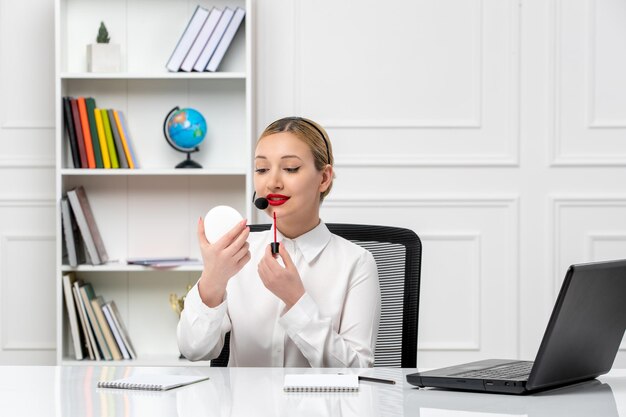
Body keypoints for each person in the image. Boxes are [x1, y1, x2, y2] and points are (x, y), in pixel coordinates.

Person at [177, 117, 380, 367]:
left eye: (291, 168)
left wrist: (296, 301)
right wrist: (212, 280)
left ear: (324, 178)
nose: (272, 182)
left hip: (321, 407)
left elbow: (357, 370)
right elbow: (193, 349)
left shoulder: (356, 263)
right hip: (244, 406)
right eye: (262, 169)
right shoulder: (236, 253)